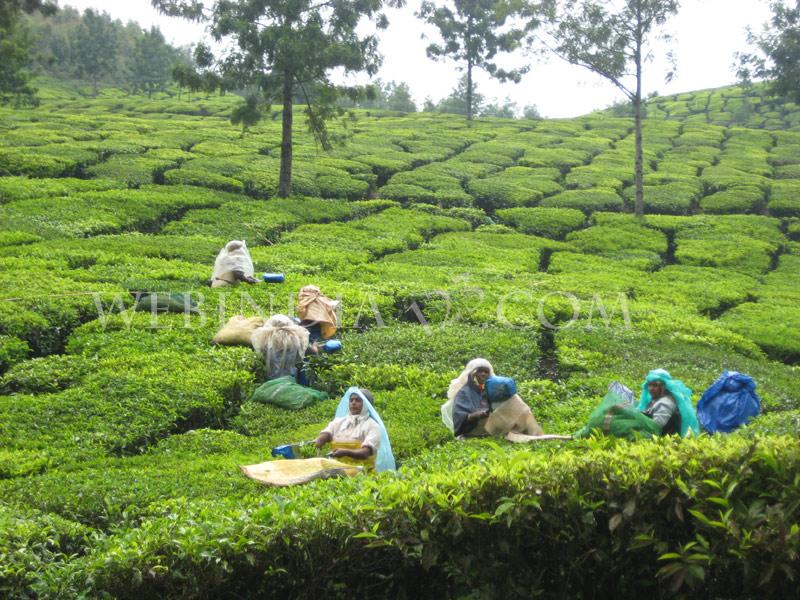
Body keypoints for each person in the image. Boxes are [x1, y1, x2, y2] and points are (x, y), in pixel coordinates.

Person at [441, 358, 548, 440]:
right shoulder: (464, 392)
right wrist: (479, 414)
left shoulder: (491, 387)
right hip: (475, 430)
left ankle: (535, 433)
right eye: (480, 371)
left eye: (486, 372)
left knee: (516, 401)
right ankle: (530, 433)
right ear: (472, 374)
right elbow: (460, 420)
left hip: (493, 424)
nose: (483, 374)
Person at [315, 387, 395, 472]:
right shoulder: (339, 422)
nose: (353, 403)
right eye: (351, 400)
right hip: (336, 471)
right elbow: (328, 432)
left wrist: (345, 452)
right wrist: (320, 439)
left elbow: (365, 453)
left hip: (363, 473)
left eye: (358, 400)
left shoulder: (373, 426)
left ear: (366, 404)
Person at [637, 369, 700, 437]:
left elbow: (656, 425)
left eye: (655, 385)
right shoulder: (657, 399)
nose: (651, 388)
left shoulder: (666, 403)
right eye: (649, 385)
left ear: (663, 387)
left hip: (663, 437)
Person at [251, 314, 309, 380]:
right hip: (291, 377)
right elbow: (299, 358)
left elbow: (261, 356)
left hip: (271, 378)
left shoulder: (267, 343)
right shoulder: (295, 343)